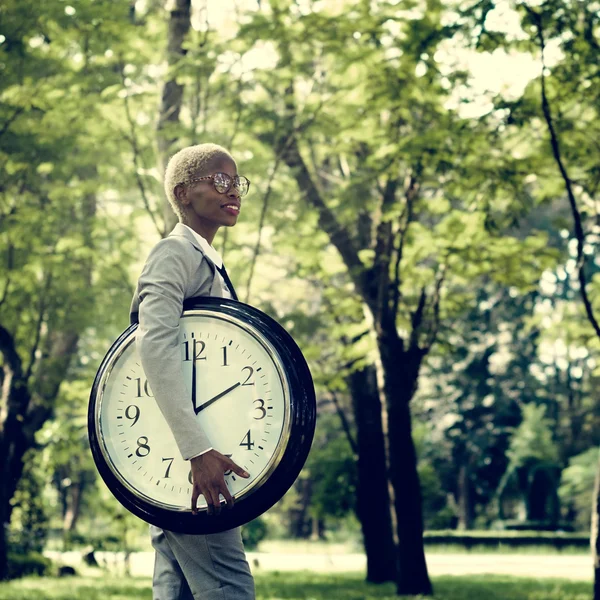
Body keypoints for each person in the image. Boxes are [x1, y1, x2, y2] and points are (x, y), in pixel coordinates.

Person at [130, 143, 255, 600]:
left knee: (176, 591)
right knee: (229, 587)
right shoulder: (173, 252)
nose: (233, 190)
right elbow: (154, 343)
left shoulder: (206, 259)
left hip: (187, 461)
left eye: (237, 182)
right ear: (183, 193)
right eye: (219, 180)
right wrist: (198, 450)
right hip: (193, 460)